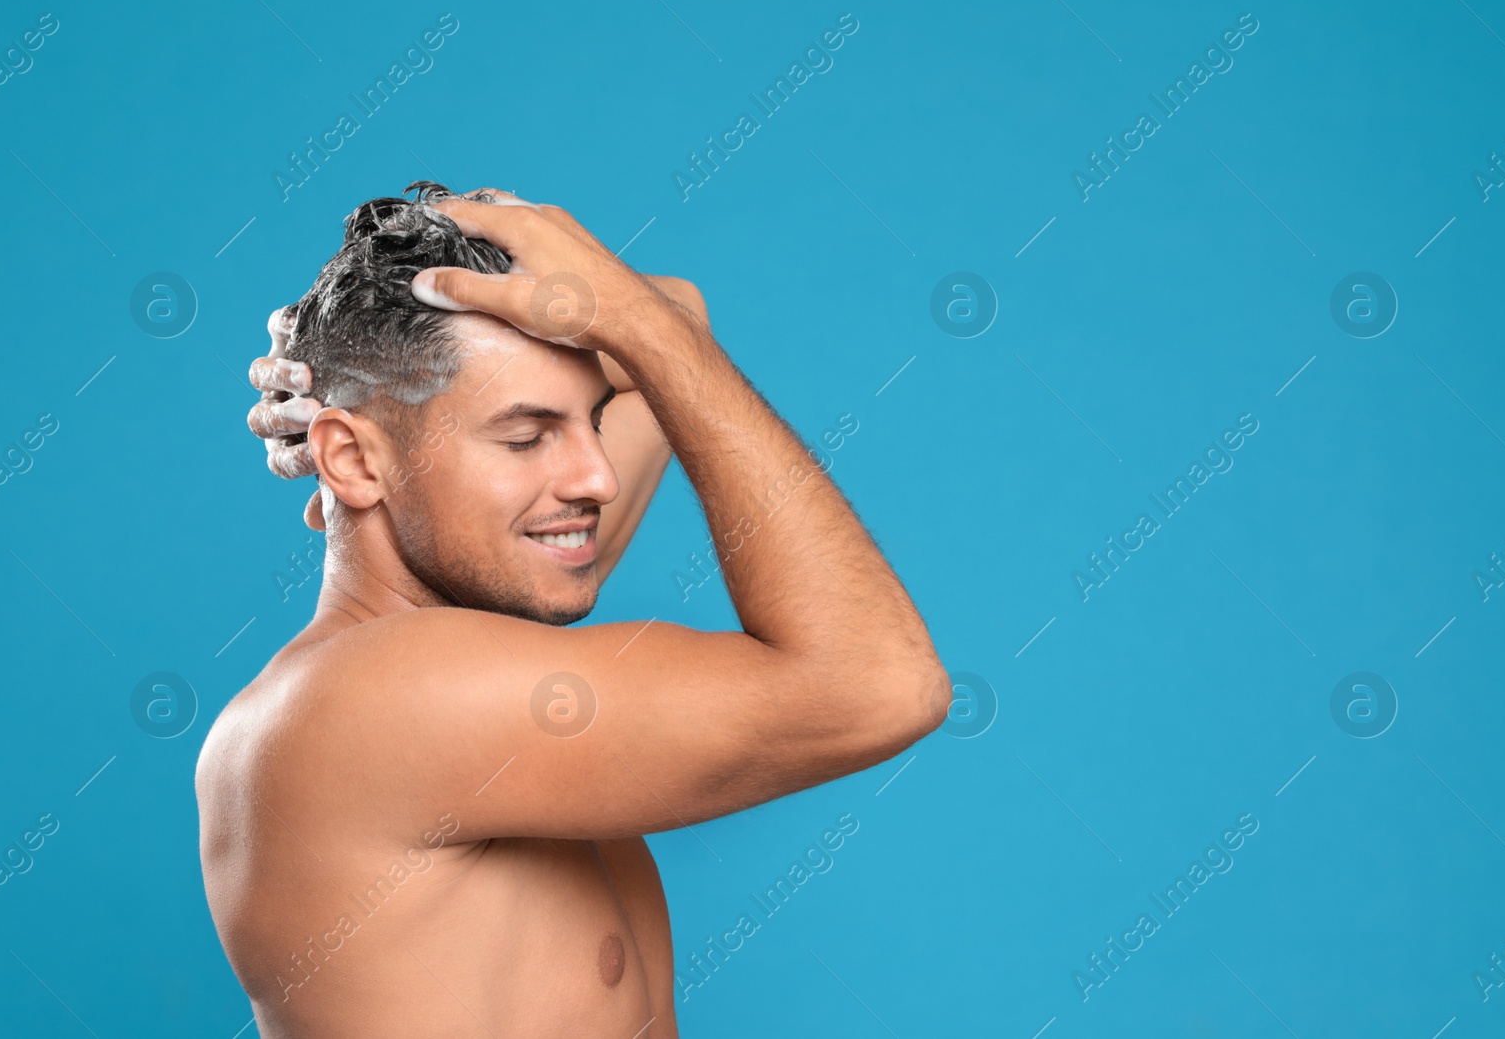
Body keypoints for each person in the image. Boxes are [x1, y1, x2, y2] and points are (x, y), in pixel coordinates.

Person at [196, 181, 949, 1038]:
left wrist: (347, 356)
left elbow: (679, 314)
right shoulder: (381, 693)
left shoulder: (468, 634)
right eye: (525, 436)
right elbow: (882, 683)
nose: (598, 476)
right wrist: (639, 326)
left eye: (592, 421)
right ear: (351, 460)